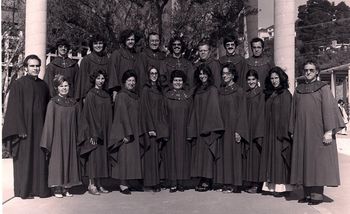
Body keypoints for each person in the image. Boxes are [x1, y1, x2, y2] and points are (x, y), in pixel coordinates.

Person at [289, 60, 344, 205]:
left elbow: (328, 110)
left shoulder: (323, 88)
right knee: (304, 162)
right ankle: (306, 194)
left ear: (317, 72)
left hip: (318, 133)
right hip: (302, 133)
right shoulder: (298, 90)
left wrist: (328, 132)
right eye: (306, 70)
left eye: (311, 70)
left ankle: (316, 196)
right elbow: (293, 113)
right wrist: (293, 130)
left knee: (317, 164)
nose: (308, 72)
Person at [2, 55, 51, 199]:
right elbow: (14, 108)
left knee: (40, 160)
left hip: (40, 129)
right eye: (32, 66)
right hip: (24, 131)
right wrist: (20, 129)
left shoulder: (44, 86)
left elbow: (48, 109)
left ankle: (40, 189)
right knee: (25, 160)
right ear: (25, 68)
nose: (35, 69)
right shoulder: (18, 84)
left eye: (37, 66)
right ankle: (24, 190)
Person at [40, 74, 81, 198]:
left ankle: (66, 187)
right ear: (56, 88)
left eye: (66, 85)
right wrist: (49, 141)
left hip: (71, 136)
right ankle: (57, 187)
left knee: (69, 159)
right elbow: (48, 122)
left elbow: (79, 121)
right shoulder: (53, 103)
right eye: (61, 86)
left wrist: (79, 137)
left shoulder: (74, 103)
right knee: (58, 160)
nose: (64, 88)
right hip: (57, 137)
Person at [188, 64, 224, 192]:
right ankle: (203, 178)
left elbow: (213, 108)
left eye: (205, 73)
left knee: (208, 153)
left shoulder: (213, 89)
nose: (202, 76)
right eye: (200, 74)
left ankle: (208, 180)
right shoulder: (197, 90)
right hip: (198, 124)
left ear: (209, 75)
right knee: (200, 154)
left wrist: (208, 127)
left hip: (208, 126)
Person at [215, 63, 249, 193]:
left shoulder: (239, 90)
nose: (224, 76)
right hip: (223, 126)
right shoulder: (221, 90)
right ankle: (226, 182)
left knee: (233, 155)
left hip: (234, 127)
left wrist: (239, 130)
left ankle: (235, 184)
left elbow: (242, 111)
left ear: (233, 75)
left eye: (227, 73)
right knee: (224, 155)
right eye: (223, 74)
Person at [259, 66, 293, 197]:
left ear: (281, 78)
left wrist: (283, 133)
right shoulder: (269, 94)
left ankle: (282, 187)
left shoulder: (285, 94)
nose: (274, 81)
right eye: (272, 78)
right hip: (269, 132)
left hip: (280, 133)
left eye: (276, 78)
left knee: (279, 159)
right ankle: (271, 186)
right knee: (270, 158)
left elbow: (287, 115)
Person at [79, 70, 112, 195]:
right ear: (94, 80)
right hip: (94, 131)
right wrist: (93, 133)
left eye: (103, 78)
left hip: (104, 130)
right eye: (98, 78)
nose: (101, 81)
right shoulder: (91, 95)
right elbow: (89, 115)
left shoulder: (106, 95)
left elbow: (109, 114)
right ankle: (91, 184)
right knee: (93, 159)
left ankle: (99, 184)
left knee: (102, 159)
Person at [109, 70, 143, 195]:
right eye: (129, 81)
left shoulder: (134, 95)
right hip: (125, 131)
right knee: (124, 157)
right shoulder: (122, 95)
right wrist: (127, 133)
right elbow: (122, 115)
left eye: (133, 81)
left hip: (134, 128)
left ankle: (129, 182)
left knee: (131, 158)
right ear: (124, 82)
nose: (132, 83)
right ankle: (123, 184)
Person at [140, 66, 168, 192]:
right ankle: (149, 183)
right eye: (151, 73)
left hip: (159, 125)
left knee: (157, 155)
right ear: (148, 74)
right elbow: (145, 109)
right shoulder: (146, 90)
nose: (154, 75)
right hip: (150, 126)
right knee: (150, 155)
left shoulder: (159, 89)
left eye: (156, 73)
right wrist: (150, 127)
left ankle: (156, 181)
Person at [164, 70, 193, 193]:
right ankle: (173, 182)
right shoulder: (167, 96)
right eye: (175, 80)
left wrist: (190, 132)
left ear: (183, 82)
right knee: (172, 156)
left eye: (180, 80)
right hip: (171, 132)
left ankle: (181, 182)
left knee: (183, 157)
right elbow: (163, 115)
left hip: (184, 132)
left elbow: (192, 115)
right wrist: (165, 132)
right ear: (171, 82)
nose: (178, 82)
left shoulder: (188, 97)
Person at [243, 69, 265, 194]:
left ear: (257, 80)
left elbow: (262, 112)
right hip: (248, 127)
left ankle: (257, 184)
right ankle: (251, 182)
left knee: (256, 156)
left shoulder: (261, 94)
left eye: (253, 79)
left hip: (257, 128)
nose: (251, 82)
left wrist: (259, 130)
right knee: (249, 156)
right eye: (249, 80)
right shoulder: (246, 94)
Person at [75, 34, 109, 102]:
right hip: (89, 96)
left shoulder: (107, 60)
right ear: (92, 45)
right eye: (95, 43)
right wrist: (84, 96)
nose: (98, 46)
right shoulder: (86, 60)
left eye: (100, 43)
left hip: (104, 95)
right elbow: (83, 80)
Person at [107, 30, 139, 99]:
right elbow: (113, 72)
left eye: (132, 39)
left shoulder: (136, 55)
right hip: (120, 91)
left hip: (134, 91)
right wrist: (114, 90)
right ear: (124, 40)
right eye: (128, 40)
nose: (130, 41)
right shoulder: (117, 54)